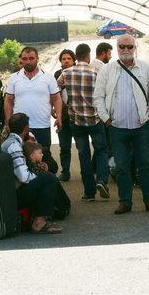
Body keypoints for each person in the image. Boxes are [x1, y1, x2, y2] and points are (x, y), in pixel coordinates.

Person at [93, 34, 149, 214]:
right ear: (117, 48)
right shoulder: (107, 70)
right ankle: (125, 202)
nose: (125, 50)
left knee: (145, 164)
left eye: (129, 47)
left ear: (135, 48)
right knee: (121, 166)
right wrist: (106, 118)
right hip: (117, 127)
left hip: (141, 127)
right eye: (122, 46)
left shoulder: (146, 68)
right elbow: (98, 96)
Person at [57, 44, 110, 201]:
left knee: (83, 155)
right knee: (101, 150)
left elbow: (54, 90)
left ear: (76, 56)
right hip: (94, 119)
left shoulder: (65, 73)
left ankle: (89, 193)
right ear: (88, 56)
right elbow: (104, 94)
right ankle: (101, 180)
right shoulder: (96, 72)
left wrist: (63, 104)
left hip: (76, 121)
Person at [1, 113, 62, 234]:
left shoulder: (9, 142)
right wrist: (40, 175)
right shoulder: (14, 146)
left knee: (45, 177)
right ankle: (39, 223)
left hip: (9, 192)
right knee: (49, 178)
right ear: (26, 128)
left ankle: (39, 217)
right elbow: (23, 177)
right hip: (13, 196)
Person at [4, 47, 63, 161]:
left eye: (31, 58)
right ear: (21, 59)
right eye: (25, 59)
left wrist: (59, 117)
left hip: (42, 125)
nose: (28, 61)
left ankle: (45, 178)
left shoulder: (48, 77)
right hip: (20, 127)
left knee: (43, 157)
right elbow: (8, 101)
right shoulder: (13, 78)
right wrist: (8, 122)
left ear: (37, 59)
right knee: (22, 158)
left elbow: (57, 98)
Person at [54, 49, 76, 182]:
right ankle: (66, 171)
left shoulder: (79, 72)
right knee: (64, 146)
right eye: (64, 59)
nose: (66, 61)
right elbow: (54, 94)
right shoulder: (57, 74)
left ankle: (88, 171)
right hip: (63, 116)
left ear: (74, 60)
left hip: (78, 115)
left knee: (82, 146)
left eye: (69, 58)